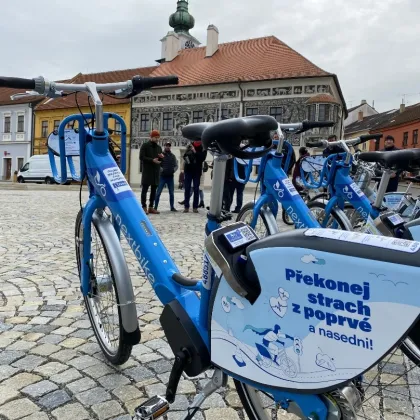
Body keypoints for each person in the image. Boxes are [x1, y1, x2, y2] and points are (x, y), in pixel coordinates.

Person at [140, 130, 163, 215]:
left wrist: (161, 158)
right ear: (151, 137)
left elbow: (160, 160)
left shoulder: (159, 148)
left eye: (158, 138)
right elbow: (141, 157)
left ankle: (151, 207)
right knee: (144, 190)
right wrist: (152, 160)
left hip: (155, 172)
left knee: (154, 191)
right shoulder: (145, 146)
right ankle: (144, 207)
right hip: (147, 171)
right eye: (155, 137)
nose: (157, 139)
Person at [183, 141, 207, 213]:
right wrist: (187, 161)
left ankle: (195, 207)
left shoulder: (203, 148)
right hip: (188, 170)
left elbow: (202, 158)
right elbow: (185, 156)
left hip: (197, 171)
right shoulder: (190, 145)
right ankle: (186, 206)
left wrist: (195, 152)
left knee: (196, 189)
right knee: (187, 188)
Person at [154, 142, 178, 212]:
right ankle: (155, 207)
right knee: (158, 193)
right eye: (166, 146)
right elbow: (157, 164)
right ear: (164, 146)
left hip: (170, 177)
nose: (168, 147)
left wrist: (173, 170)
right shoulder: (161, 155)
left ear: (170, 147)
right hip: (162, 177)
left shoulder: (173, 156)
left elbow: (176, 165)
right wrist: (161, 170)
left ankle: (172, 207)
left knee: (171, 193)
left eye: (169, 146)